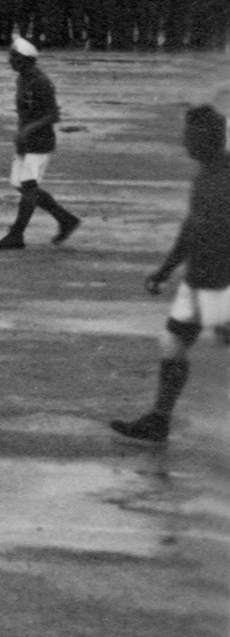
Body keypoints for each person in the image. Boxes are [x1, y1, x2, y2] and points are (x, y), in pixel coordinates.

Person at [110, 103, 230, 445]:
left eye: (189, 136)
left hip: (218, 282)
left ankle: (160, 419)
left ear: (208, 138)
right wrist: (166, 269)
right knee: (173, 343)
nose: (184, 143)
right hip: (200, 280)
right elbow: (191, 228)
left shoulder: (223, 177)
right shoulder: (207, 174)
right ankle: (159, 419)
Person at [0, 29, 79, 249]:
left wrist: (27, 131)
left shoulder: (40, 82)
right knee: (22, 185)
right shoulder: (23, 78)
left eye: (13, 57)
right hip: (26, 140)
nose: (9, 60)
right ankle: (65, 219)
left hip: (40, 141)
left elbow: (53, 114)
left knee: (28, 186)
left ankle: (17, 235)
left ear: (24, 60)